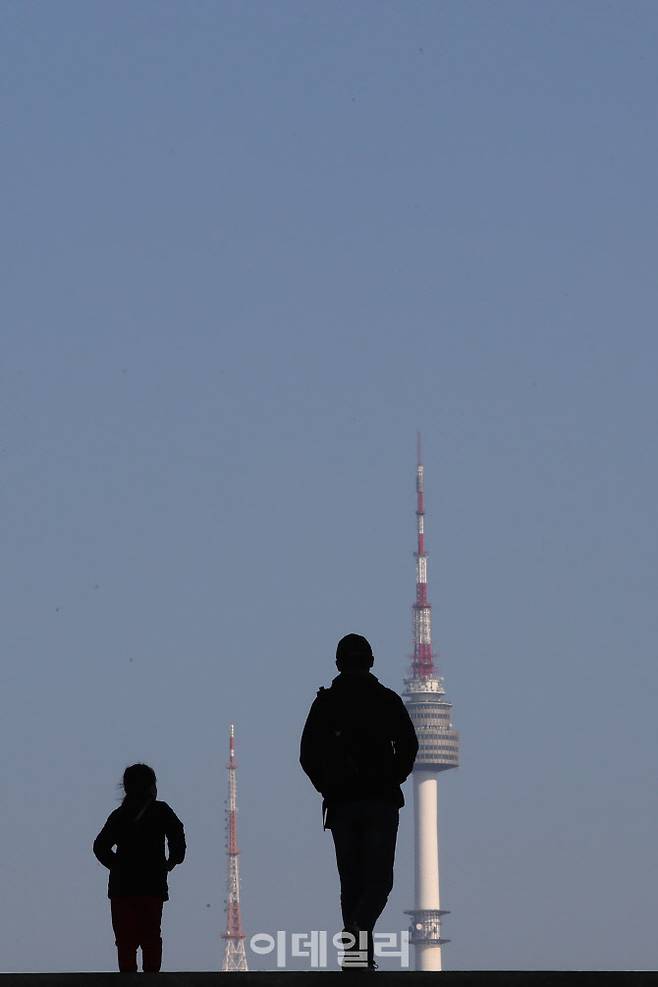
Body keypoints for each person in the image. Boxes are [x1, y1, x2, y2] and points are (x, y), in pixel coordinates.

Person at [300, 634, 418, 970]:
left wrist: (328, 787)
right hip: (380, 802)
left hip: (342, 804)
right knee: (378, 880)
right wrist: (392, 778)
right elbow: (409, 746)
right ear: (371, 661)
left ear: (338, 663)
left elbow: (308, 755)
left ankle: (356, 956)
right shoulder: (386, 700)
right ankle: (360, 932)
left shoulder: (326, 703)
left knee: (351, 882)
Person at [93, 763, 186, 973]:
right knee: (151, 936)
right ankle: (151, 979)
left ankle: (128, 979)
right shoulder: (160, 811)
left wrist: (118, 867)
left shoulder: (119, 815)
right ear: (152, 787)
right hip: (152, 886)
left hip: (121, 888)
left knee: (125, 940)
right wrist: (172, 861)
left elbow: (100, 847)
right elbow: (177, 833)